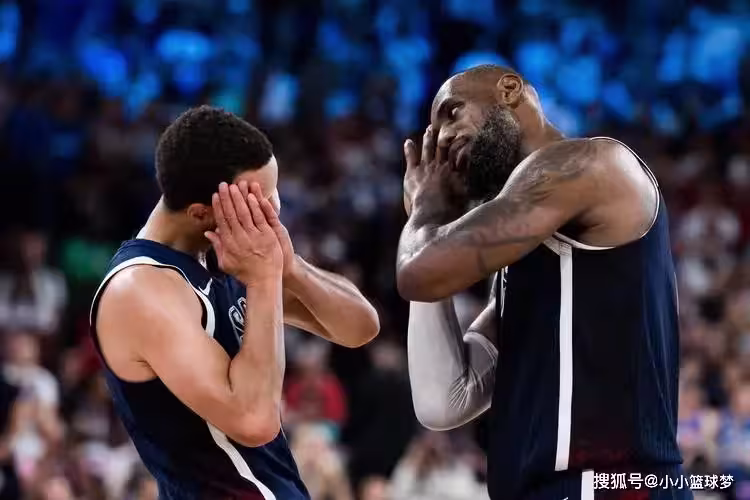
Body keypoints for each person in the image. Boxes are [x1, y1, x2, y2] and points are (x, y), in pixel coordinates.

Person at [398, 65, 688, 499]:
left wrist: (425, 213)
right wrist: (431, 223)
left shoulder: (592, 163)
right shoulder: (523, 260)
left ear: (510, 89)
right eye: (434, 131)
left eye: (452, 112)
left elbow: (418, 272)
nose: (442, 137)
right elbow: (444, 401)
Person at [89, 106, 380, 499]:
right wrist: (264, 279)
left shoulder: (229, 256)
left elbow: (361, 327)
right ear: (200, 213)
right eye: (258, 200)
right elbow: (254, 420)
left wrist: (292, 268)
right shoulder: (140, 289)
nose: (276, 209)